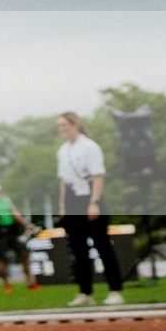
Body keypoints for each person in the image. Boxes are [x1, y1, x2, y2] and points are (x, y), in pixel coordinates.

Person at [56, 112, 125, 307]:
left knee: (102, 245)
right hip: (72, 200)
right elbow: (63, 181)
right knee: (78, 249)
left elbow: (98, 177)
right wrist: (62, 204)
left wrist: (93, 202)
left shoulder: (90, 147)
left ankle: (115, 290)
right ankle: (85, 292)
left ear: (74, 124)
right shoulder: (63, 150)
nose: (61, 129)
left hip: (90, 197)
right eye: (59, 126)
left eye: (63, 125)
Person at [0, 177, 37, 292]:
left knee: (24, 255)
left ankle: (30, 282)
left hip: (12, 230)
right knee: (2, 258)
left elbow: (15, 213)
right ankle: (7, 285)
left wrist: (26, 224)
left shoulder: (5, 199)